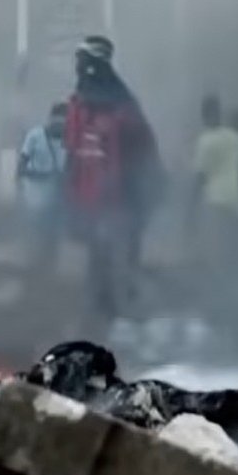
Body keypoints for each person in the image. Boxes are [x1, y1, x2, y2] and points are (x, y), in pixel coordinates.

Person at [63, 36, 162, 319]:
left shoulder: (124, 108)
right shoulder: (78, 104)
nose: (78, 68)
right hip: (90, 194)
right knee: (97, 252)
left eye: (82, 62)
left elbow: (143, 151)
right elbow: (72, 152)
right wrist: (70, 192)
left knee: (119, 248)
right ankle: (102, 302)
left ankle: (124, 301)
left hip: (120, 194)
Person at [190, 94, 238, 267]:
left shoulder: (205, 141)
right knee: (232, 251)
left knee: (215, 252)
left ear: (204, 115)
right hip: (235, 201)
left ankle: (216, 287)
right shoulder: (237, 138)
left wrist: (191, 207)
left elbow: (200, 177)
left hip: (214, 201)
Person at [18, 102, 68, 273]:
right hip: (34, 198)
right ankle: (33, 266)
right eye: (58, 121)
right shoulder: (35, 136)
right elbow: (21, 169)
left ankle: (48, 271)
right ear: (50, 119)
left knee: (53, 236)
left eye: (64, 122)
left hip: (57, 199)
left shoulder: (71, 140)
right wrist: (44, 175)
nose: (60, 126)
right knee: (37, 234)